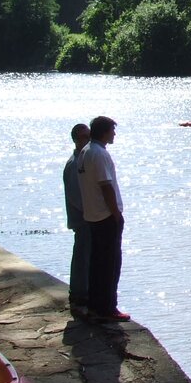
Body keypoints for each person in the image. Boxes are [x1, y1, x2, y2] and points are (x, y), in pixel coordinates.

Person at [77, 116, 129, 322]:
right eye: (112, 130)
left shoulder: (85, 151)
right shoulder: (98, 154)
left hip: (92, 215)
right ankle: (107, 308)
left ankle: (95, 305)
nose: (114, 134)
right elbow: (105, 186)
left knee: (97, 262)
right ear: (105, 132)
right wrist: (115, 213)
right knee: (110, 264)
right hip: (105, 216)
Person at [63, 123, 92, 316]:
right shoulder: (74, 164)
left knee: (85, 257)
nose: (87, 140)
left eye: (89, 136)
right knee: (82, 257)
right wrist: (91, 213)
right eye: (83, 137)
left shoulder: (82, 161)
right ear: (75, 140)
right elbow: (76, 196)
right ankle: (79, 297)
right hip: (83, 220)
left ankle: (83, 295)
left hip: (86, 218)